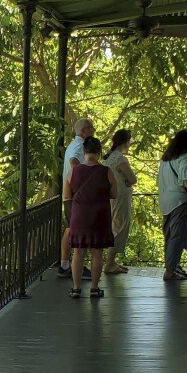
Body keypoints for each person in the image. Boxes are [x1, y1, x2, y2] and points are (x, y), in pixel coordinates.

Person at [64, 136, 118, 298]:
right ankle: (94, 288)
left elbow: (67, 196)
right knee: (97, 252)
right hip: (100, 215)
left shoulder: (73, 171)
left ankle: (76, 288)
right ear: (99, 152)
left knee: (78, 252)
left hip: (79, 215)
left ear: (84, 151)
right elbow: (114, 194)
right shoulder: (106, 171)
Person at [57, 117, 94, 278]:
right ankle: (77, 267)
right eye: (91, 127)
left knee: (71, 228)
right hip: (75, 195)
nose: (93, 130)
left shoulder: (73, 145)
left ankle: (65, 265)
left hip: (70, 195)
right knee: (79, 229)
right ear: (83, 130)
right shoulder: (79, 146)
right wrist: (83, 182)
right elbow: (73, 162)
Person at [157, 129, 187, 282]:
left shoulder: (166, 159)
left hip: (165, 200)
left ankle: (172, 266)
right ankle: (170, 270)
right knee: (177, 235)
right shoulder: (186, 158)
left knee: (168, 234)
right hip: (180, 200)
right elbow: (186, 180)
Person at [102, 130, 136, 274]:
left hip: (110, 196)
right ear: (125, 142)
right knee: (120, 227)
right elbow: (133, 179)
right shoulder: (120, 159)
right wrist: (129, 182)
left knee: (114, 226)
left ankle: (112, 261)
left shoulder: (108, 159)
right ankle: (109, 263)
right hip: (121, 197)